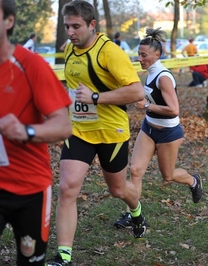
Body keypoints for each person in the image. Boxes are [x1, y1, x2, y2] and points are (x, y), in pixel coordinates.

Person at [0, 0, 72, 265]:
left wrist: (26, 130)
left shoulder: (31, 66)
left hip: (29, 191)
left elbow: (63, 126)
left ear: (9, 21)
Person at [48, 1, 146, 265]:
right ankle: (63, 256)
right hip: (79, 129)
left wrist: (95, 96)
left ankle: (136, 210)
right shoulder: (70, 48)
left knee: (117, 190)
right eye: (67, 26)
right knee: (67, 187)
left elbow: (137, 92)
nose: (70, 32)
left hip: (111, 133)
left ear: (92, 25)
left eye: (76, 26)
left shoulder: (109, 52)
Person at [113, 28, 203, 229]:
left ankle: (193, 181)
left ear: (157, 55)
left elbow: (173, 109)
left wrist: (146, 106)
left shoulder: (163, 77)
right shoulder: (149, 74)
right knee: (135, 170)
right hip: (148, 128)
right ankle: (132, 216)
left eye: (144, 55)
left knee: (168, 176)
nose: (140, 59)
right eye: (139, 54)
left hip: (168, 133)